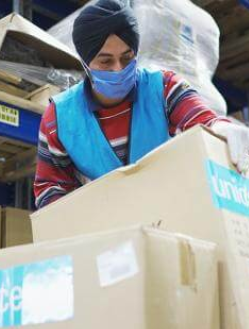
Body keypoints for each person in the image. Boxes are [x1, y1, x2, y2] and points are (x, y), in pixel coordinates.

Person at [33, 0, 231, 209]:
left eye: (127, 59)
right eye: (106, 61)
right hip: (106, 223)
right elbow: (50, 186)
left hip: (169, 213)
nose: (118, 69)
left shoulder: (163, 87)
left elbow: (202, 119)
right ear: (85, 63)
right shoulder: (59, 117)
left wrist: (220, 129)